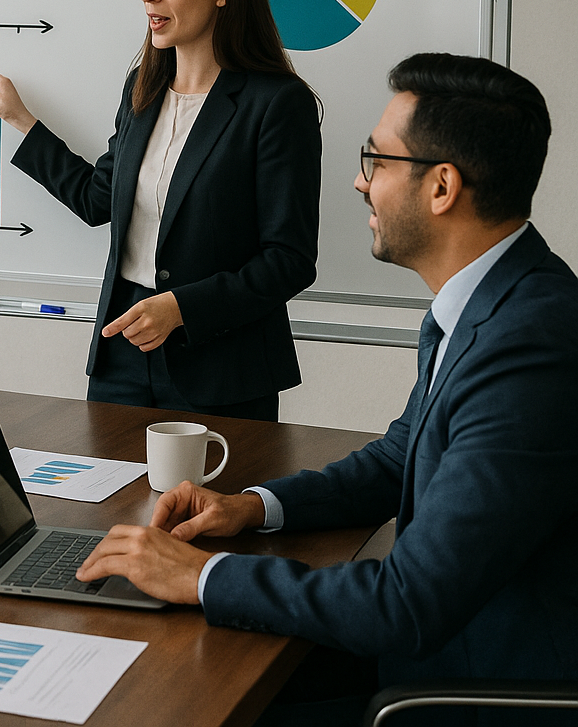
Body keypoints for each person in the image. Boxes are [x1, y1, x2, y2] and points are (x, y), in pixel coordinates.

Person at [76, 54, 578, 723]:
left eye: (377, 160)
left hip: (465, 691)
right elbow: (400, 457)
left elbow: (407, 602)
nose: (359, 182)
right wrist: (252, 506)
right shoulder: (492, 304)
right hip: (434, 654)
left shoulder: (530, 345)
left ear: (442, 187)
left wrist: (199, 575)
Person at [0, 0, 321, 421]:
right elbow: (97, 200)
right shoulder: (144, 88)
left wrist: (181, 308)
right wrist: (21, 120)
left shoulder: (277, 104)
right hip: (122, 355)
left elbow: (289, 260)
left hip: (219, 368)